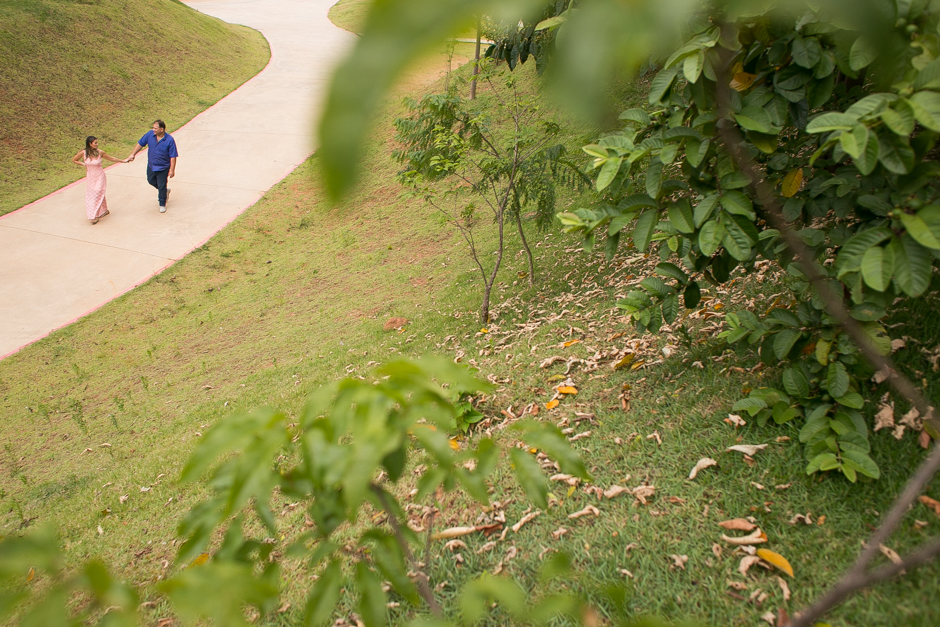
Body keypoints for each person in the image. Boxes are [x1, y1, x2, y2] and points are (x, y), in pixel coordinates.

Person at [71, 136, 127, 224]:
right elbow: (74, 160)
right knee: (94, 194)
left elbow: (112, 158)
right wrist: (84, 164)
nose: (97, 144)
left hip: (99, 176)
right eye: (95, 143)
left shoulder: (100, 152)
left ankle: (93, 216)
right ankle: (104, 210)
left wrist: (123, 161)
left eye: (97, 142)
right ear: (90, 144)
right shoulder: (83, 152)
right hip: (90, 177)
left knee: (97, 194)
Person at [127, 119, 178, 213]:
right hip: (151, 165)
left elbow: (173, 156)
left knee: (162, 185)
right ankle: (164, 191)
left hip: (163, 167)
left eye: (155, 128)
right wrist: (133, 154)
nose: (153, 130)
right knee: (150, 180)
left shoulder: (169, 140)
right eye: (153, 128)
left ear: (161, 129)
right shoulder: (150, 134)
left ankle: (162, 203)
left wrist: (172, 169)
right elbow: (140, 144)